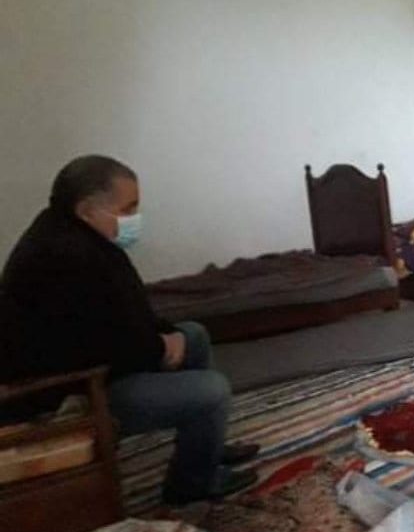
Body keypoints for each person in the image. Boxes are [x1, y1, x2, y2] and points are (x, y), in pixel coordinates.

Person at [0, 155, 259, 505]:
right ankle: (192, 485)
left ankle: (208, 447)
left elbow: (124, 311)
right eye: (127, 209)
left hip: (103, 365)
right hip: (75, 393)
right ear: (86, 210)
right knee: (211, 391)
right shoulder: (66, 258)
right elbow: (97, 347)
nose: (135, 218)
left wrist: (166, 335)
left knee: (193, 334)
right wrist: (159, 348)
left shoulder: (77, 235)